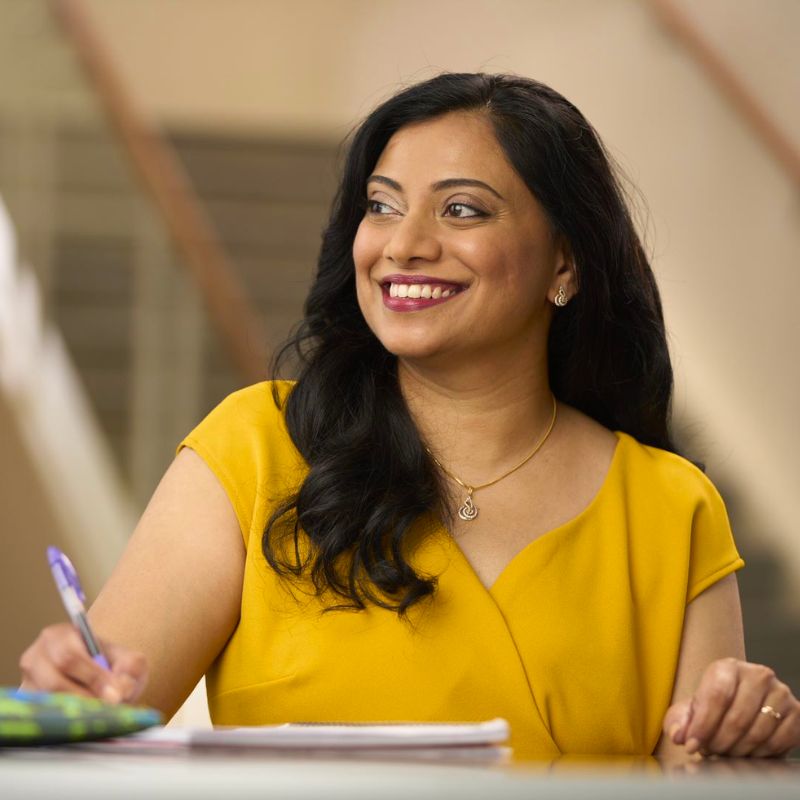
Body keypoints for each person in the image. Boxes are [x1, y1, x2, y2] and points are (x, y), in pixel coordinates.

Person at [20, 73, 799, 759]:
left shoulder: (671, 508)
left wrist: (744, 736)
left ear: (565, 263)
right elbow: (97, 713)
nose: (404, 245)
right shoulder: (253, 448)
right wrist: (72, 693)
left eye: (461, 210)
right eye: (381, 206)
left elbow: (696, 781)